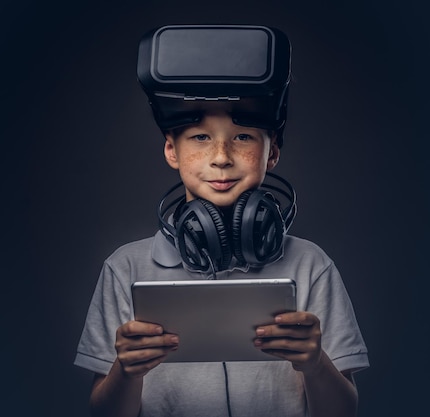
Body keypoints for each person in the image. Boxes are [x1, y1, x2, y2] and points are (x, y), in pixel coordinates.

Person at [74, 25, 369, 417]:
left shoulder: (311, 264)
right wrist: (126, 372)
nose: (221, 157)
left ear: (272, 152)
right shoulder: (125, 267)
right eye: (199, 138)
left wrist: (315, 363)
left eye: (243, 137)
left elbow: (343, 412)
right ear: (171, 151)